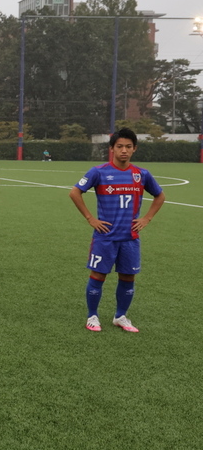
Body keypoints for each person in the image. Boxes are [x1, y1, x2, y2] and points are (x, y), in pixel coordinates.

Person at [69, 128, 165, 333]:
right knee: (98, 276)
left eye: (128, 147)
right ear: (112, 148)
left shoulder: (141, 174)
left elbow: (160, 195)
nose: (124, 150)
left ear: (134, 149)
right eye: (119, 146)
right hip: (105, 238)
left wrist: (147, 218)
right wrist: (90, 218)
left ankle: (120, 316)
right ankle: (92, 316)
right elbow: (75, 192)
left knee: (128, 278)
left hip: (130, 238)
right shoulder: (99, 172)